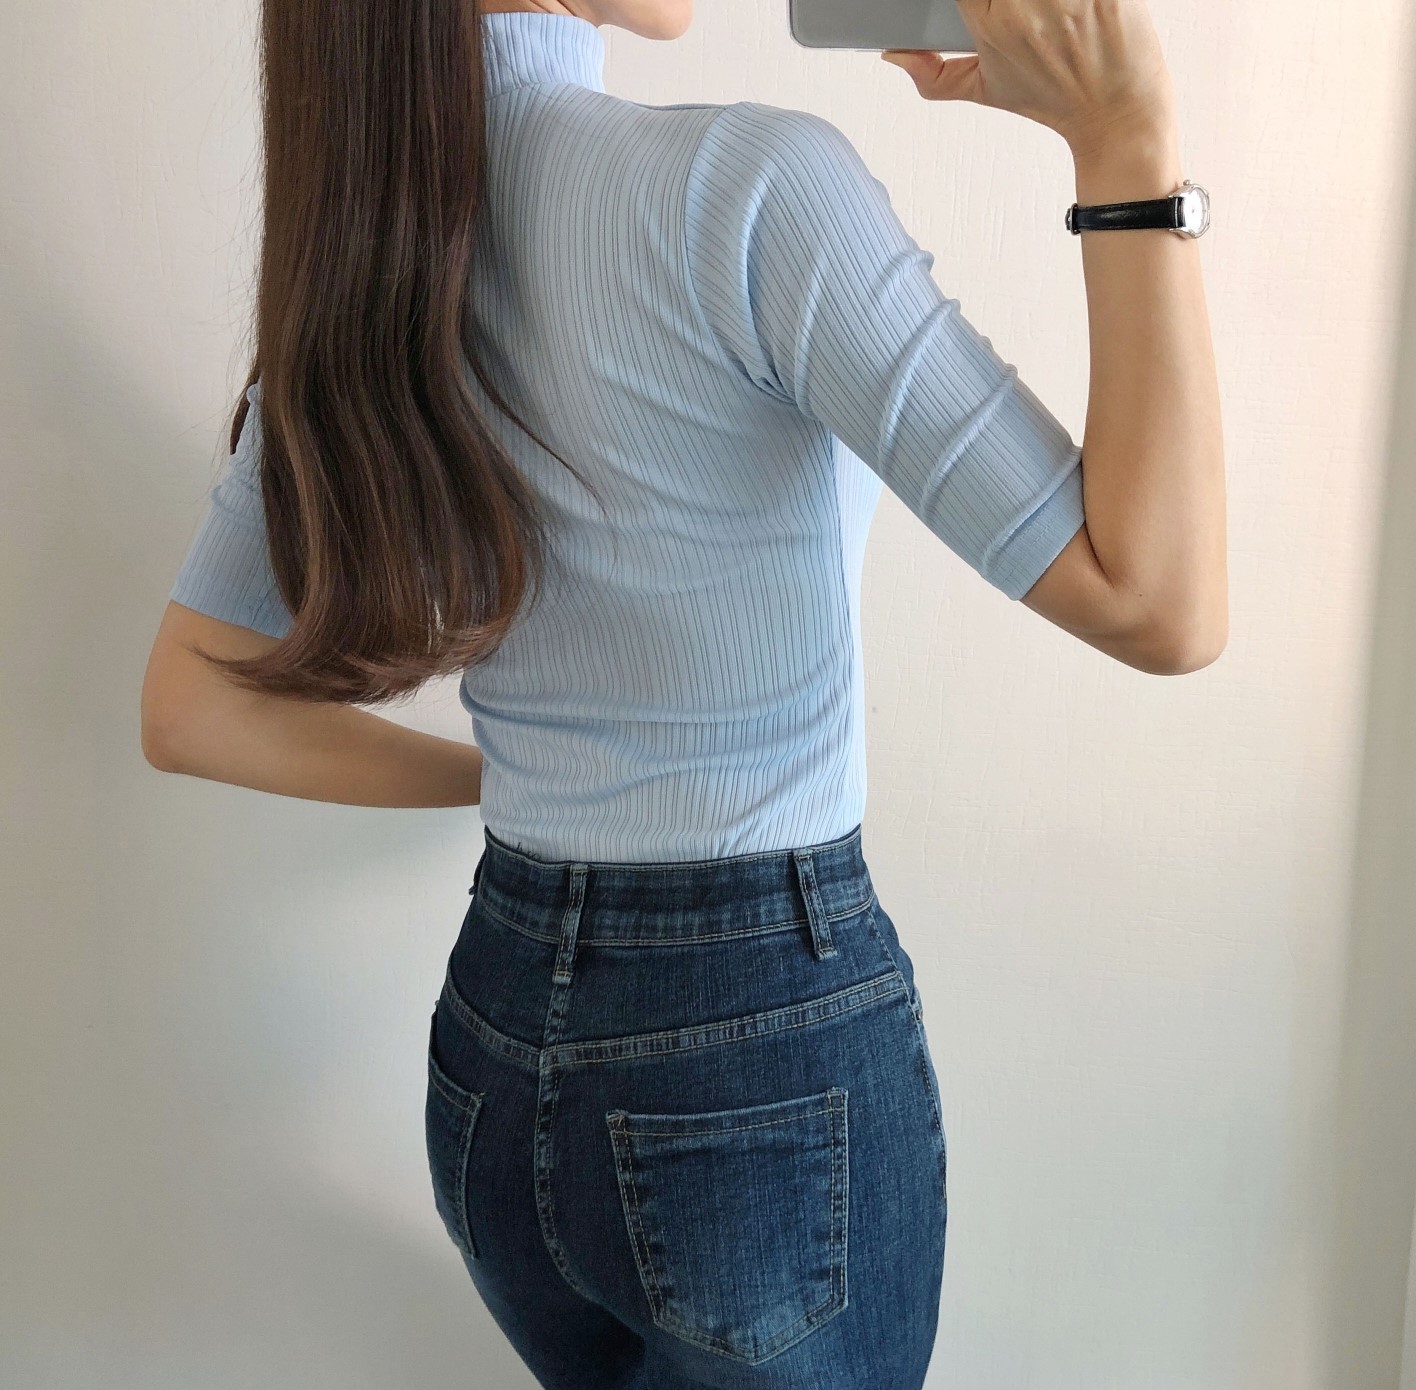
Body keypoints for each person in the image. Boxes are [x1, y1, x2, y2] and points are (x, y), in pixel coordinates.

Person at [141, 0, 1226, 1384]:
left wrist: (525, 785)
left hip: (494, 1041)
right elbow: (1158, 601)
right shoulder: (751, 188)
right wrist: (1126, 138)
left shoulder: (364, 258)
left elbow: (191, 707)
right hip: (754, 1069)